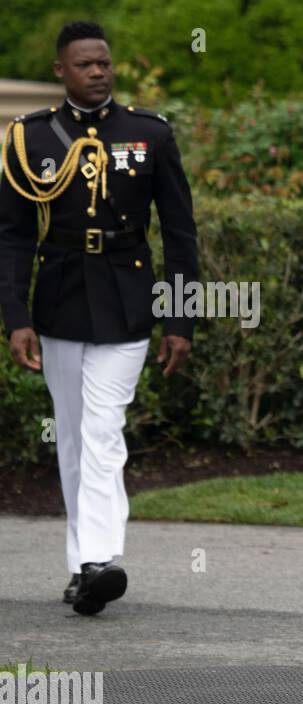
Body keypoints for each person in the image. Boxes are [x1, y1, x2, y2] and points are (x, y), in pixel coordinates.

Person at [0, 20, 198, 616]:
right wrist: (15, 316)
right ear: (61, 70)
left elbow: (180, 232)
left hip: (127, 298)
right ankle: (82, 564)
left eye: (105, 63)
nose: (99, 72)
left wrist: (180, 320)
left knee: (102, 431)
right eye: (85, 64)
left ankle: (100, 560)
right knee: (74, 438)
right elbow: (10, 236)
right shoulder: (29, 137)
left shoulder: (149, 132)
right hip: (58, 299)